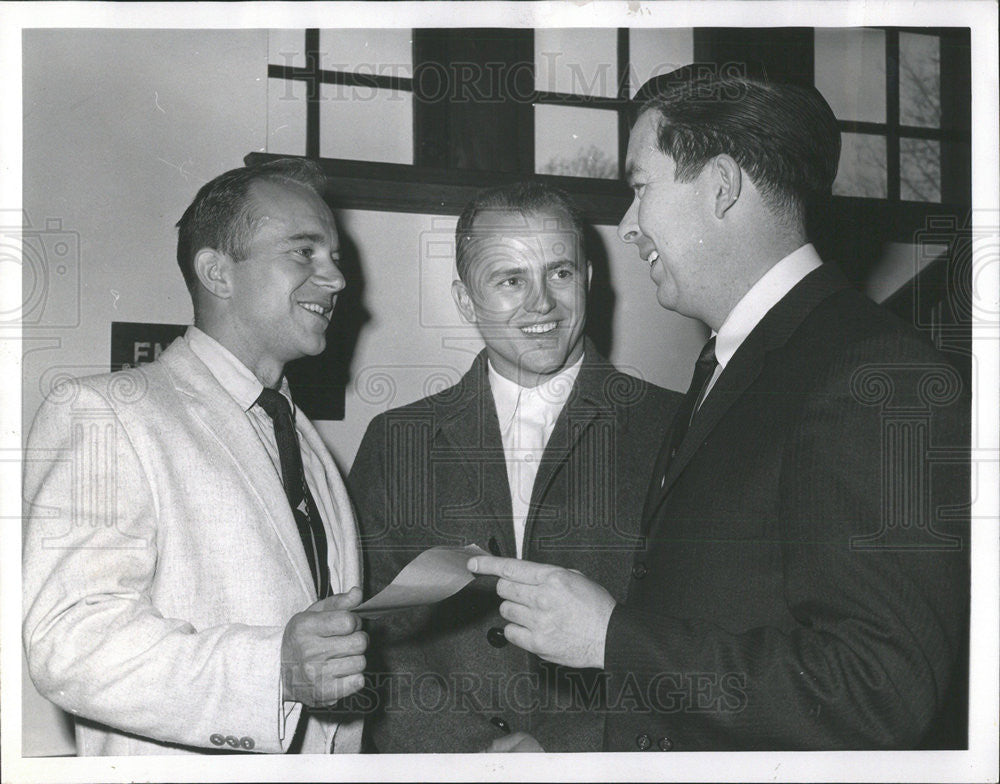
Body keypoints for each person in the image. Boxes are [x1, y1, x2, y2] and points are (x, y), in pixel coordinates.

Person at [469, 72, 970, 750]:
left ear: (722, 187)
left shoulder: (876, 375)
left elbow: (878, 689)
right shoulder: (733, 367)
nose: (626, 224)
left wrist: (612, 637)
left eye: (641, 187)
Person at [22, 159, 368, 755]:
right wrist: (274, 671)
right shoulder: (105, 414)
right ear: (217, 271)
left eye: (333, 256)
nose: (335, 278)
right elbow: (69, 642)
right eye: (304, 252)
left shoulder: (306, 442)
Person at [348, 182, 679, 752]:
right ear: (463, 300)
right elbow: (372, 638)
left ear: (590, 281)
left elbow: (692, 632)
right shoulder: (398, 441)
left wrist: (575, 755)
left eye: (561, 273)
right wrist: (471, 751)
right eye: (510, 280)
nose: (542, 304)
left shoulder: (671, 427)